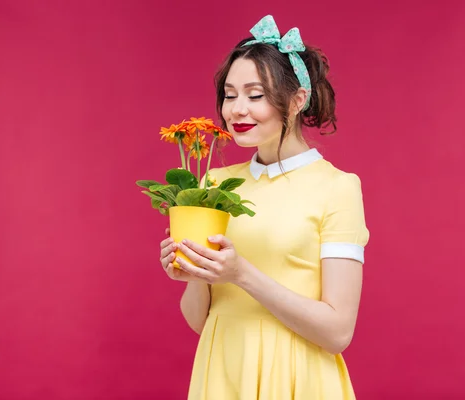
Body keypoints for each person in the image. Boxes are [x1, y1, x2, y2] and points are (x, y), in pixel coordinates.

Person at [158, 15, 369, 399]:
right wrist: (193, 273)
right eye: (229, 94)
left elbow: (338, 332)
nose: (237, 109)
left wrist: (240, 274)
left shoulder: (337, 188)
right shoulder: (214, 184)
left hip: (297, 377)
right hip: (222, 372)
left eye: (255, 95)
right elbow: (200, 321)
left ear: (297, 99)